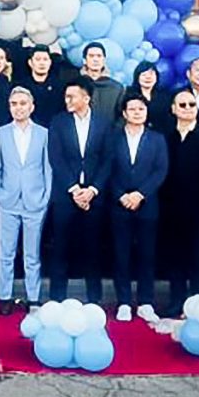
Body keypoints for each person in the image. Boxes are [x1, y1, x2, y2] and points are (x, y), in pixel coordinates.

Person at [47, 77, 113, 304]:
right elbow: (56, 157)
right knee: (60, 249)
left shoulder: (104, 123)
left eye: (71, 96)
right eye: (66, 96)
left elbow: (108, 159)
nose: (67, 100)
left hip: (94, 196)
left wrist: (92, 190)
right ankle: (56, 301)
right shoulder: (58, 122)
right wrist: (74, 190)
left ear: (86, 98)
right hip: (66, 196)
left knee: (93, 250)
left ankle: (94, 301)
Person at [0, 87, 52, 314]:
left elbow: (47, 168)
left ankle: (33, 297)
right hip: (7, 200)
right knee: (6, 252)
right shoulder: (0, 133)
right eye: (14, 104)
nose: (18, 108)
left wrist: (45, 197)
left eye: (22, 103)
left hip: (35, 200)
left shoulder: (43, 134)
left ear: (32, 107)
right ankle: (4, 296)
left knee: (32, 254)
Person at [159, 88, 199, 317]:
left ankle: (196, 304)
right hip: (171, 208)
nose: (187, 109)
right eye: (182, 105)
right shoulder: (166, 138)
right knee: (175, 257)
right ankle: (176, 301)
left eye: (191, 105)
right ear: (173, 109)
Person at [109, 93, 168, 320]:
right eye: (132, 109)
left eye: (141, 109)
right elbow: (107, 169)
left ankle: (145, 302)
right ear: (124, 113)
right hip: (119, 204)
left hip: (147, 204)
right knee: (120, 254)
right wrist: (121, 195)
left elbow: (160, 170)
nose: (137, 113)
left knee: (147, 255)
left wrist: (140, 194)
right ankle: (123, 302)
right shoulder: (113, 138)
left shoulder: (157, 139)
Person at [18, 44, 63, 127]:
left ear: (50, 62)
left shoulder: (60, 86)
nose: (42, 63)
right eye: (38, 59)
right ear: (30, 63)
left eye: (45, 59)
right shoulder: (21, 87)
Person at [81, 42, 124, 123]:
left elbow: (122, 116)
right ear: (84, 60)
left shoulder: (116, 88)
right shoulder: (76, 85)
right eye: (91, 56)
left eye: (99, 56)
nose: (95, 59)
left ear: (104, 60)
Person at [129, 61, 172, 131]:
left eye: (151, 74)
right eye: (144, 75)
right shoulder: (129, 94)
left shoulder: (165, 96)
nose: (148, 77)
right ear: (137, 77)